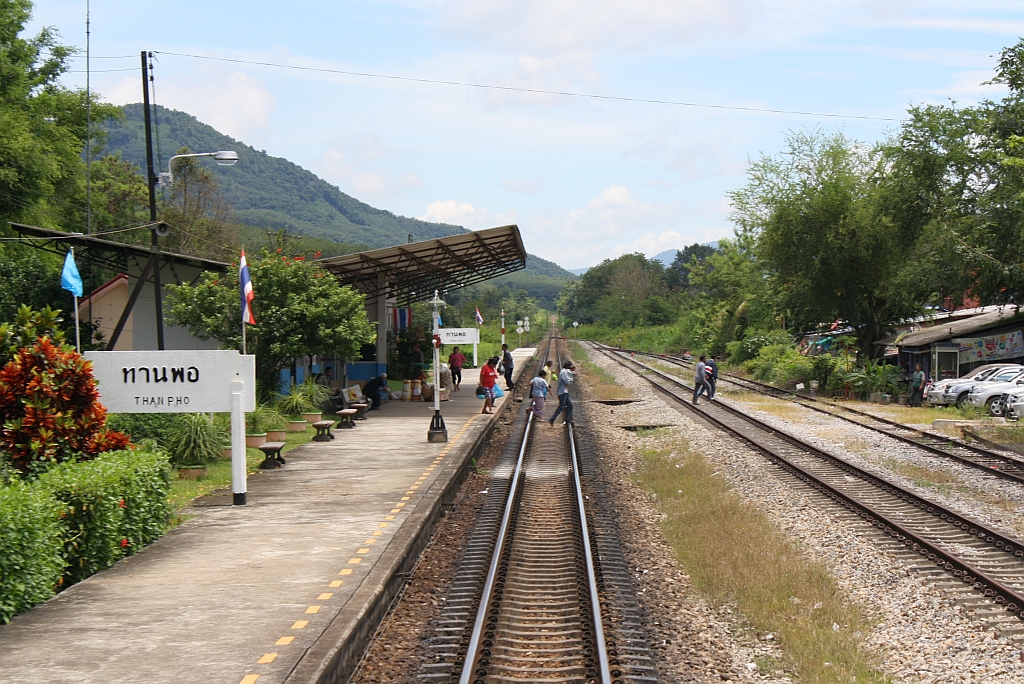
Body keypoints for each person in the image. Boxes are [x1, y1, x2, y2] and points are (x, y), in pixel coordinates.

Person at [549, 360, 576, 425]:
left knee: (570, 405)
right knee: (561, 406)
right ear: (568, 366)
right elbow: (566, 381)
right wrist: (570, 381)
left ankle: (568, 419)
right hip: (562, 392)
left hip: (565, 392)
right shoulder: (564, 372)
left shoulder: (564, 371)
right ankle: (552, 418)